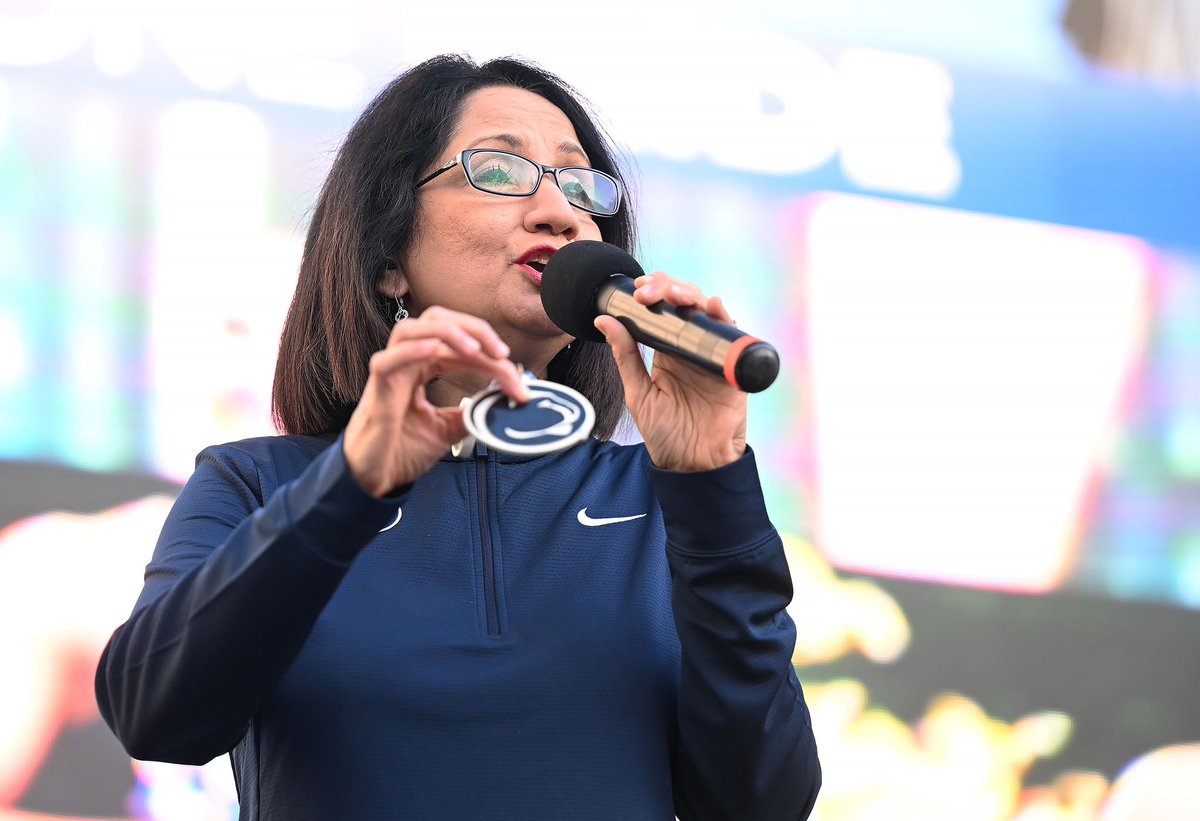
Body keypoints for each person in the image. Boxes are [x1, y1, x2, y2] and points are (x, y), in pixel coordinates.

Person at [94, 54, 821, 820]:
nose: (561, 213)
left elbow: (762, 801)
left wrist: (711, 482)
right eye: (502, 170)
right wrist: (350, 484)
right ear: (387, 263)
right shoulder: (259, 483)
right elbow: (155, 716)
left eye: (581, 188)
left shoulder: (663, 501)